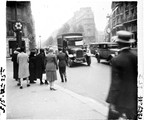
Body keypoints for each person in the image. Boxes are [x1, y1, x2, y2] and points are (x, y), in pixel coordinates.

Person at [106, 30, 137, 119]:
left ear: (119, 43)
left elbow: (115, 84)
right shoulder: (136, 57)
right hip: (133, 100)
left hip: (120, 101)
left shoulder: (116, 60)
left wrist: (112, 102)